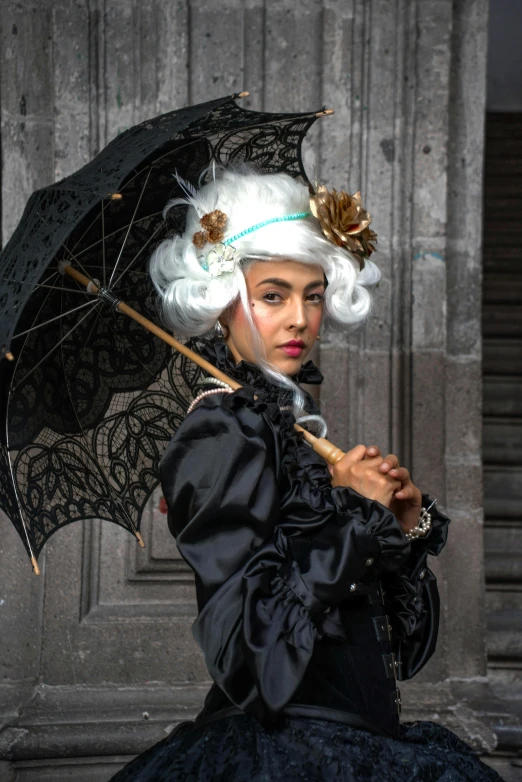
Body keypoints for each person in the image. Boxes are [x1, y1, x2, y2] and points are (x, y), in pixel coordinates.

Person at [110, 169, 502, 781]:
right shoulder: (219, 433)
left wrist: (398, 528)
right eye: (273, 295)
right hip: (282, 752)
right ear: (222, 300)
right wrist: (356, 513)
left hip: (359, 741)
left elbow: (399, 647)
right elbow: (251, 655)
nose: (299, 318)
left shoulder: (287, 430)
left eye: (312, 294)